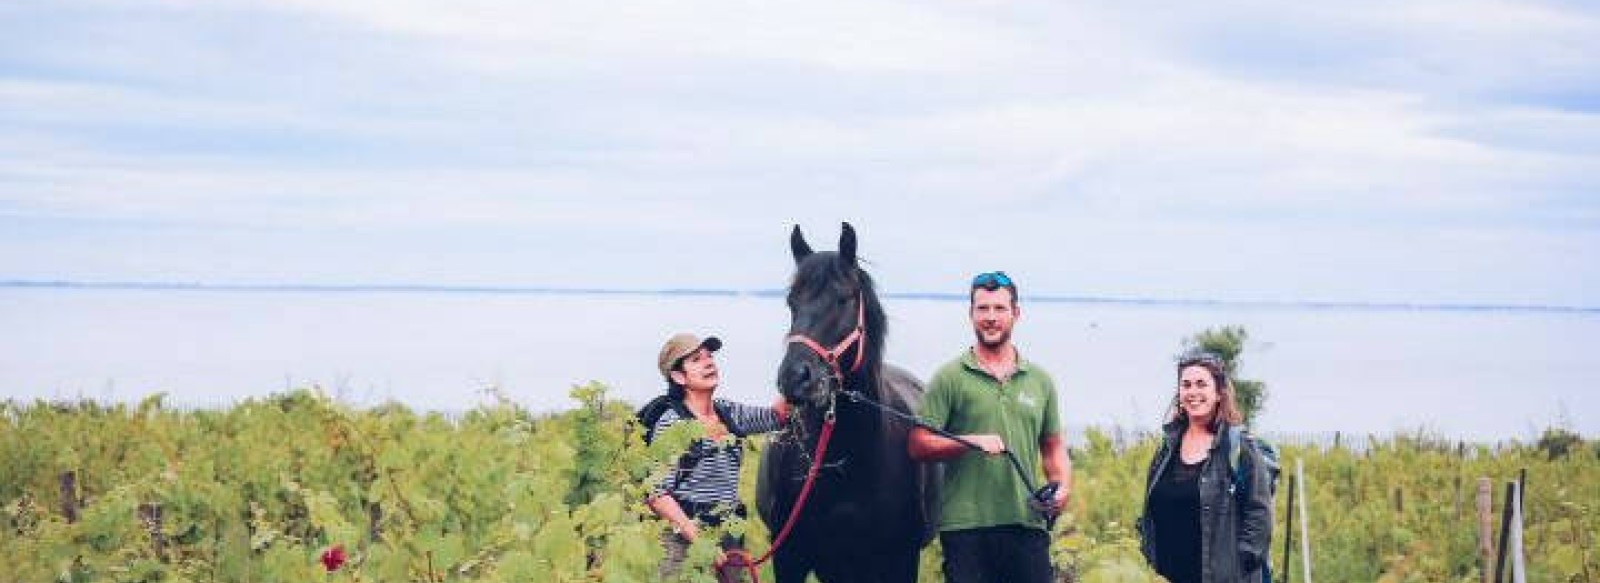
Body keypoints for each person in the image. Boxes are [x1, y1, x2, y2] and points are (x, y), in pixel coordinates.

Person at [907, 271, 1071, 583]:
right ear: (971, 314)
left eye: (999, 309)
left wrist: (1061, 486)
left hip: (1027, 525)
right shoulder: (949, 378)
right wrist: (969, 442)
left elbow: (1053, 448)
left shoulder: (1040, 380)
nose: (991, 318)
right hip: (965, 530)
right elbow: (917, 444)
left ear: (1016, 314)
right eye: (983, 309)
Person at [645, 332, 788, 580]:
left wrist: (799, 371)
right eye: (696, 359)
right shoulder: (672, 423)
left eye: (709, 356)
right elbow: (657, 494)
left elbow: (776, 416)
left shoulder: (728, 412)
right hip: (682, 545)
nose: (709, 362)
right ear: (678, 376)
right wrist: (699, 540)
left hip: (728, 539)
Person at [1137, 352, 1273, 583]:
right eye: (1186, 385)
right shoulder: (1166, 449)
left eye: (1202, 384)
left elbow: (1259, 517)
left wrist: (1237, 567)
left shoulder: (1240, 449)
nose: (1193, 392)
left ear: (1219, 393)